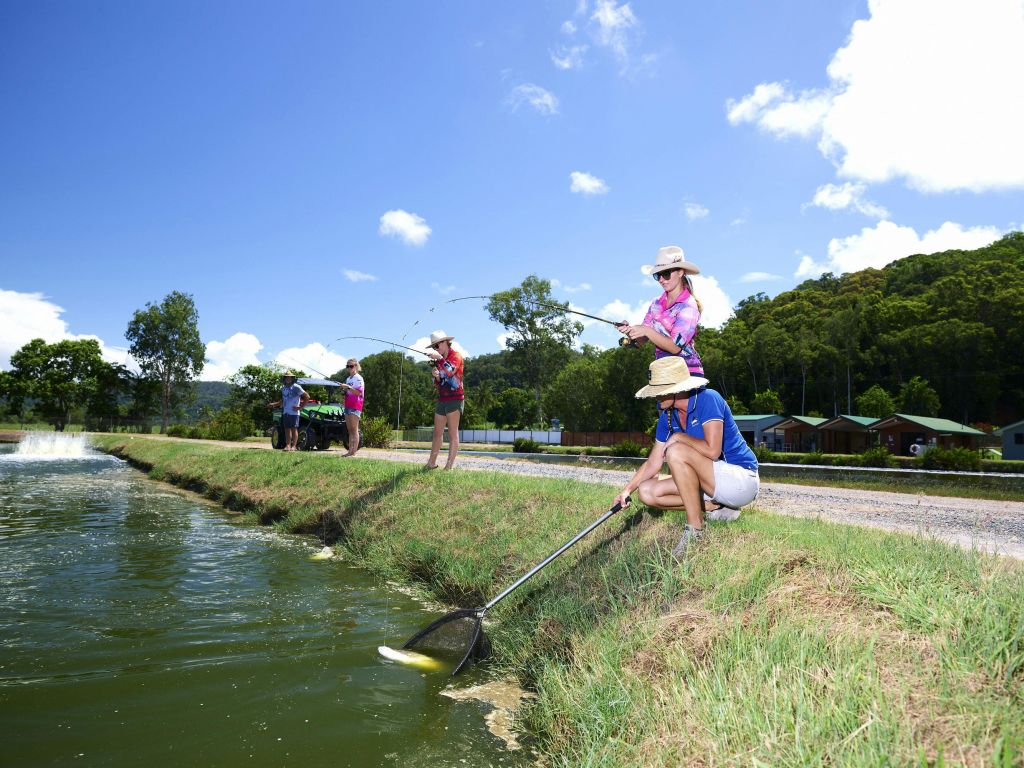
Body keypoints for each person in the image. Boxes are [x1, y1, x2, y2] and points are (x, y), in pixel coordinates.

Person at [612, 357, 759, 558]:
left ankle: (695, 531)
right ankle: (714, 508)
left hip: (740, 480)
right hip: (711, 485)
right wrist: (627, 490)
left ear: (676, 389)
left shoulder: (708, 399)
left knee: (676, 450)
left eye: (659, 392)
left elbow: (713, 451)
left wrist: (679, 437)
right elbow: (654, 462)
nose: (654, 397)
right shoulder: (667, 416)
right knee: (646, 492)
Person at [616, 245, 704, 375]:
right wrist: (630, 332)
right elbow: (641, 341)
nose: (661, 280)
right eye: (658, 275)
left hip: (686, 371)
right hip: (663, 370)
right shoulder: (656, 304)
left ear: (680, 272)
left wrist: (645, 330)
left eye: (666, 274)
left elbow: (674, 347)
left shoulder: (688, 306)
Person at [423, 330, 464, 470]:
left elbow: (451, 371)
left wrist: (440, 359)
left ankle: (449, 466)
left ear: (446, 342)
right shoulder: (439, 360)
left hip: (455, 399)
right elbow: (438, 382)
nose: (436, 348)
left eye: (437, 344)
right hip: (442, 398)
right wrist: (436, 377)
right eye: (434, 346)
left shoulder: (456, 356)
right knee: (437, 433)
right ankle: (431, 463)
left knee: (453, 433)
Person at [268, 371, 310, 451]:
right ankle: (288, 445)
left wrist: (301, 407)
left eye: (290, 377)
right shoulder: (283, 388)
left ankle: (294, 446)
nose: (288, 378)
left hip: (294, 412)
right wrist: (274, 404)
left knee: (294, 429)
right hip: (286, 411)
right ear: (284, 378)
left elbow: (307, 396)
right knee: (287, 429)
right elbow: (283, 400)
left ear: (292, 378)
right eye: (286, 377)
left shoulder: (297, 387)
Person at [339, 358, 364, 457]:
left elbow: (358, 392)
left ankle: (353, 452)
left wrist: (348, 387)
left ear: (356, 366)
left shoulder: (358, 378)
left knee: (354, 429)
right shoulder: (348, 379)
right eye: (347, 366)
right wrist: (343, 390)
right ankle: (349, 451)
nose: (349, 368)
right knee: (349, 430)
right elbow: (347, 392)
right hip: (347, 405)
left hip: (355, 406)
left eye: (351, 366)